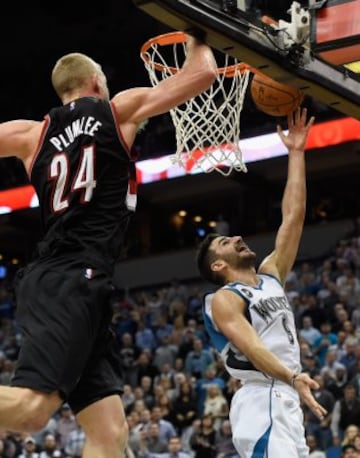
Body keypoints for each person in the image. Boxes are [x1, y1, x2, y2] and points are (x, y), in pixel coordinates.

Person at [0, 32, 217, 458]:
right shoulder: (117, 111)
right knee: (31, 412)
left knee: (110, 432)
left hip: (77, 281)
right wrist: (199, 34)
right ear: (98, 81)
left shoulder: (30, 135)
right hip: (70, 276)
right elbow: (204, 74)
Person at [196, 108, 327, 458]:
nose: (236, 237)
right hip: (262, 397)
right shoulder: (224, 298)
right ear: (219, 265)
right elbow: (253, 349)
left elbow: (293, 218)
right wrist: (292, 376)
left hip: (285, 396)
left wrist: (296, 153)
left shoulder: (270, 275)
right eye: (225, 243)